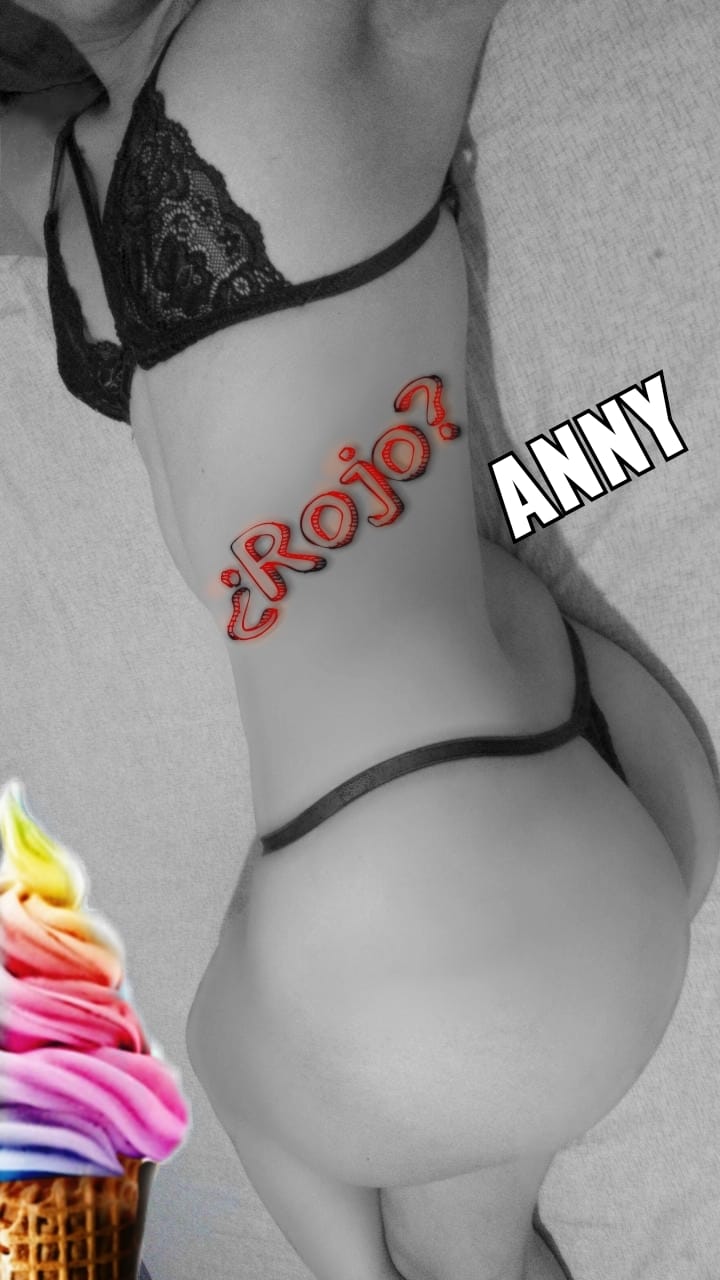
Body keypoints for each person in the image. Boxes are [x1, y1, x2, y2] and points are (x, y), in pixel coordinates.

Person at [5, 1, 719, 1277]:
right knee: (441, 1224)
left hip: (464, 873)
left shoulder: (292, 36)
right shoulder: (65, 173)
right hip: (550, 822)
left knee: (238, 1051)